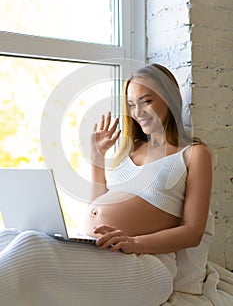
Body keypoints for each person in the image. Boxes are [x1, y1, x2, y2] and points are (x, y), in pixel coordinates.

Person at [0, 64, 212, 306]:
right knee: (7, 237)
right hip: (102, 251)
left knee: (32, 247)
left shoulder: (193, 154)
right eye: (132, 105)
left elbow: (193, 232)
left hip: (146, 263)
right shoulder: (130, 149)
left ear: (169, 99)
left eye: (146, 101)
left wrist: (134, 243)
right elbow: (96, 205)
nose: (138, 111)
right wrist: (97, 158)